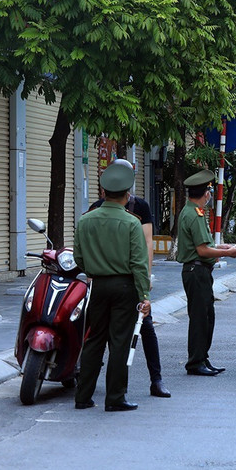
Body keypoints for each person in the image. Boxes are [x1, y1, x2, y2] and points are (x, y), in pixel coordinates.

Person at [88, 159, 170, 398]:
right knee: (96, 332)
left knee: (146, 327)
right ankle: (90, 382)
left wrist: (146, 277)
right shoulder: (97, 206)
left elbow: (147, 243)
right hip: (106, 281)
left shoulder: (140, 206)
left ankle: (156, 379)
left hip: (133, 278)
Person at [73, 163, 152, 412]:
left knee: (94, 339)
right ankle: (115, 397)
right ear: (128, 194)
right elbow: (139, 264)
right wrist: (144, 296)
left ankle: (83, 396)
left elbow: (78, 258)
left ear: (103, 191)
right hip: (124, 287)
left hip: (96, 285)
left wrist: (94, 269)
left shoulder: (85, 221)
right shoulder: (131, 223)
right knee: (119, 341)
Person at [176, 169, 236, 376]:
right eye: (210, 192)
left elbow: (205, 245)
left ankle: (202, 358)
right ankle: (195, 362)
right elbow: (202, 250)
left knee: (206, 316)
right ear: (206, 193)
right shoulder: (194, 215)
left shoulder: (193, 212)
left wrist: (223, 248)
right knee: (199, 318)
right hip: (196, 271)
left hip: (199, 270)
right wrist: (229, 253)